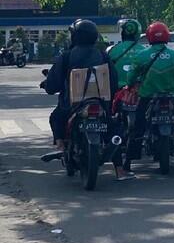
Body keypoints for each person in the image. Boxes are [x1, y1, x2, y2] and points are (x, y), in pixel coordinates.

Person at [41, 19, 132, 180]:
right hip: (100, 104)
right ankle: (119, 169)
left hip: (72, 106)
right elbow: (113, 82)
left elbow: (53, 85)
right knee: (113, 128)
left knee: (56, 117)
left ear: (75, 36)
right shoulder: (102, 56)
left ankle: (61, 146)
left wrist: (47, 86)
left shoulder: (67, 56)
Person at [125, 22, 174, 169]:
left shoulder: (141, 56)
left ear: (149, 37)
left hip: (148, 99)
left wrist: (130, 85)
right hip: (170, 97)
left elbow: (131, 78)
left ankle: (127, 162)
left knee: (137, 129)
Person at [108, 19, 147, 89]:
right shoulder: (144, 51)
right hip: (137, 91)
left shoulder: (112, 50)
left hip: (116, 91)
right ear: (138, 34)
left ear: (122, 33)